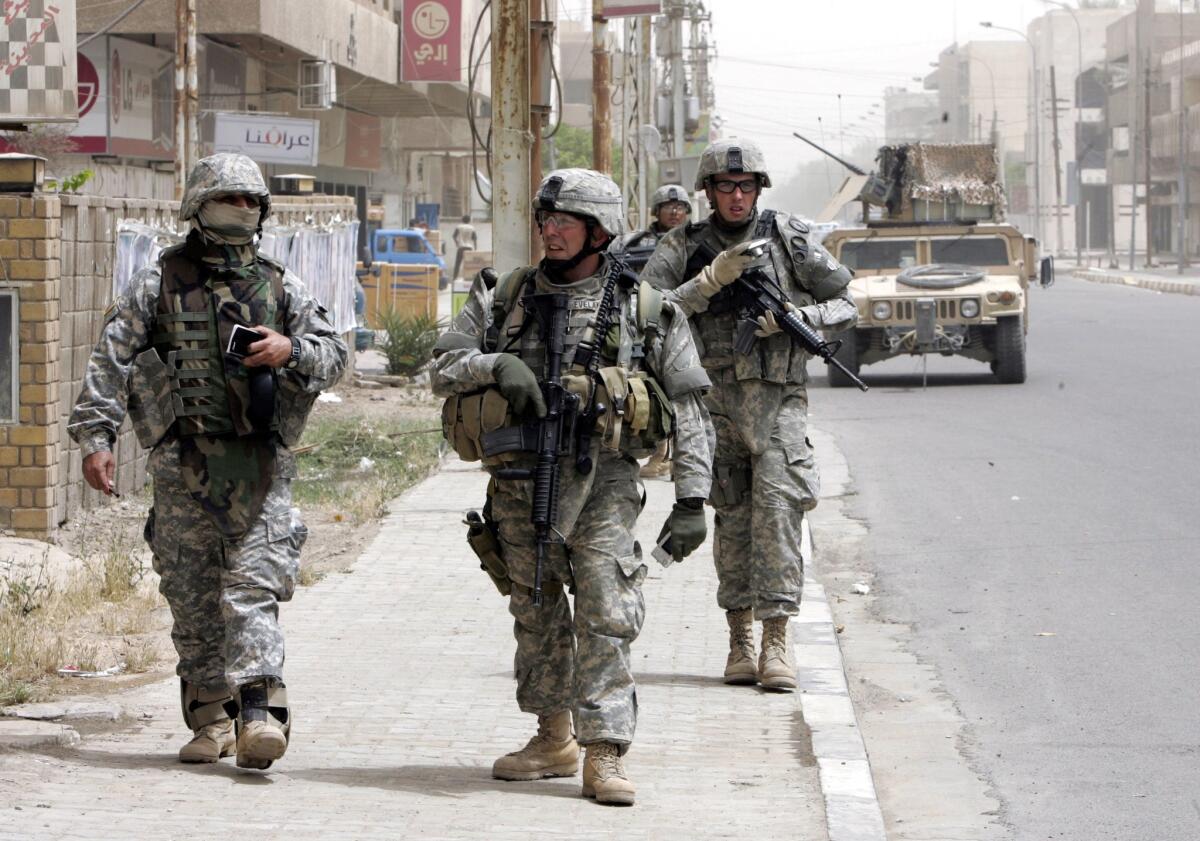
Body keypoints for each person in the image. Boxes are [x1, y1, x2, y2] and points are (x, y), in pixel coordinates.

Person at [432, 168, 713, 806]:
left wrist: (693, 499)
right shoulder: (502, 296)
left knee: (606, 612)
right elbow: (442, 365)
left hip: (604, 482)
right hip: (518, 479)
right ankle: (551, 736)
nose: (550, 231)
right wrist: (494, 363)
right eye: (545, 219)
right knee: (534, 611)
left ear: (600, 230)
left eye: (566, 221)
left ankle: (606, 751)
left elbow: (691, 410)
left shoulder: (645, 307)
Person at [68, 153, 348, 769]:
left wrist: (289, 348)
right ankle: (211, 719)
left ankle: (260, 715)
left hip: (261, 468)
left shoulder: (281, 285)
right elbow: (110, 361)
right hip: (182, 467)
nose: (242, 210)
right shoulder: (157, 283)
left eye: (252, 201)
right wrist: (97, 438)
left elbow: (334, 355)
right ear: (198, 204)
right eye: (230, 199)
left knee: (251, 589)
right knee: (191, 597)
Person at [640, 139, 857, 691]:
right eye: (725, 187)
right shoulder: (681, 244)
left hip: (779, 401)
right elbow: (646, 312)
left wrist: (795, 317)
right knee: (733, 520)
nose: (736, 197)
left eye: (746, 187)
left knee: (779, 514)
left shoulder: (789, 237)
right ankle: (739, 639)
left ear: (759, 189)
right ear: (708, 192)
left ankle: (777, 640)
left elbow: (846, 302)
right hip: (712, 406)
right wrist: (708, 281)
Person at [609, 184, 693, 480]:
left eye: (680, 206)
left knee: (688, 393)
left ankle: (683, 460)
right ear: (656, 212)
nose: (674, 211)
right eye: (668, 206)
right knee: (651, 386)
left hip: (687, 323)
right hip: (647, 322)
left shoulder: (696, 242)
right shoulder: (637, 243)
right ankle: (659, 454)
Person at [452, 213, 478, 282]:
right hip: (469, 248)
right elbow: (475, 239)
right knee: (469, 264)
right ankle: (469, 278)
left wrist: (457, 243)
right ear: (469, 220)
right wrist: (475, 249)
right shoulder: (472, 228)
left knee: (458, 263)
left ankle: (454, 278)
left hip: (461, 247)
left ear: (462, 220)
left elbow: (454, 236)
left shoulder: (459, 226)